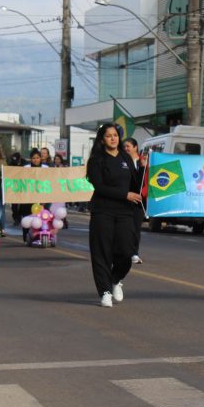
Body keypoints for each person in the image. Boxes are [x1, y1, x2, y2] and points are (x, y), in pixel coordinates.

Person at [87, 123, 141, 307]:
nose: (113, 138)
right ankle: (105, 292)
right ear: (102, 139)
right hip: (102, 211)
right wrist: (124, 195)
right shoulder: (96, 160)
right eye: (109, 135)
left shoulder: (125, 157)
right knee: (102, 253)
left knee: (127, 251)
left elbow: (135, 184)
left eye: (115, 135)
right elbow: (99, 187)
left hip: (125, 212)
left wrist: (143, 169)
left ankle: (116, 279)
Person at [123, 137, 146, 265]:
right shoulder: (122, 161)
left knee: (136, 228)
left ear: (135, 147)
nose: (126, 148)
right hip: (125, 199)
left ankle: (134, 253)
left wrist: (143, 166)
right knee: (124, 228)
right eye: (124, 146)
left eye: (128, 146)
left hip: (139, 201)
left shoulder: (143, 161)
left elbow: (146, 181)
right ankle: (123, 252)